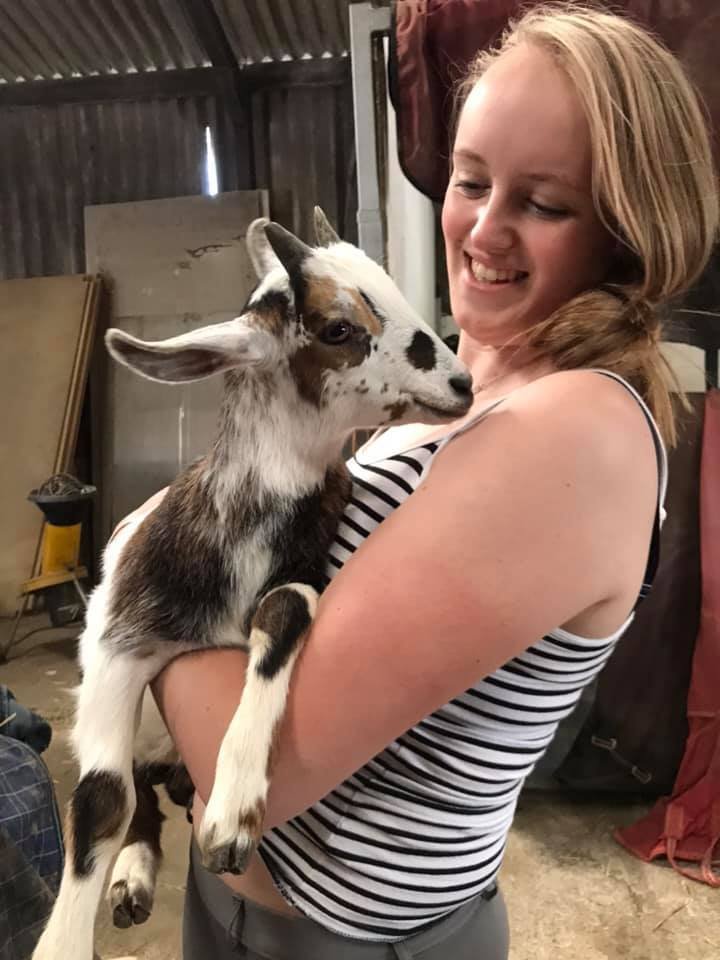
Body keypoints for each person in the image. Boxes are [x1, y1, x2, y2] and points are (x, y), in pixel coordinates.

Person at [145, 5, 718, 958]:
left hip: (348, 942)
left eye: (544, 202)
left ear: (627, 229)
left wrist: (137, 589)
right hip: (260, 912)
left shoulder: (573, 436)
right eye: (470, 181)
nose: (483, 231)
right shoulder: (474, 374)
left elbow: (263, 770)